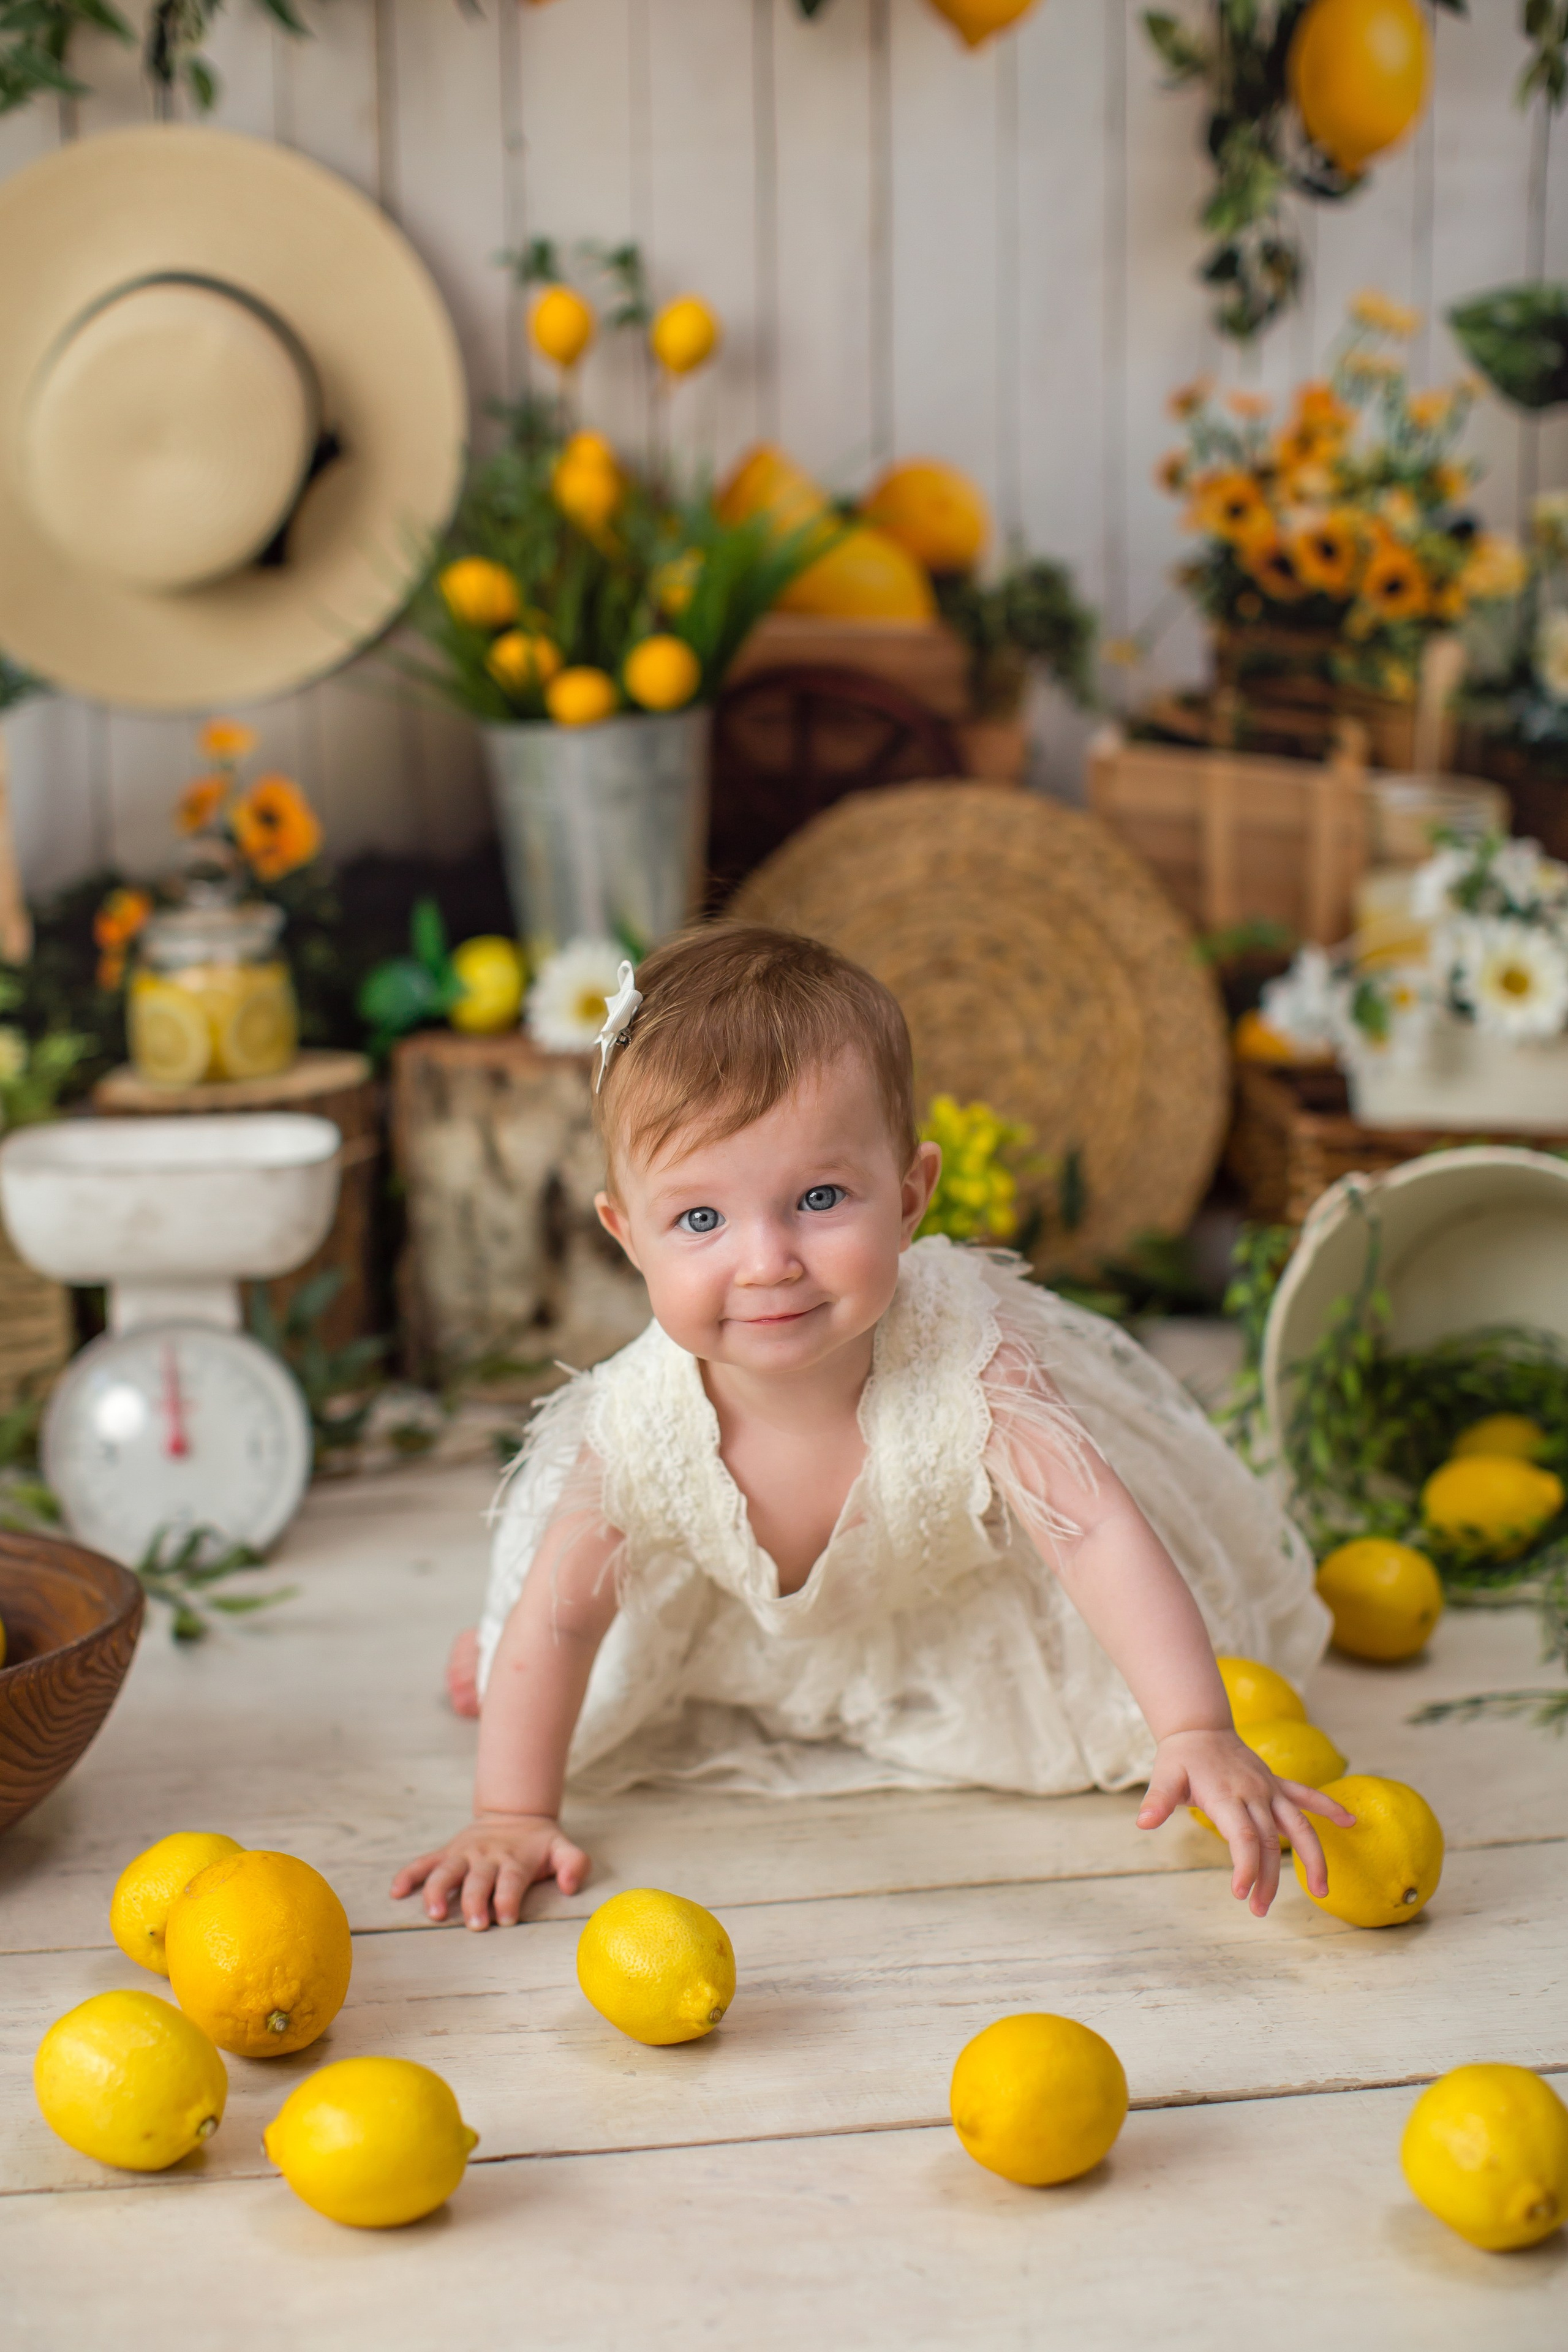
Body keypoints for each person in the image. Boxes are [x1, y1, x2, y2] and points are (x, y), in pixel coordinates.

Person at [392, 924, 1345, 1934]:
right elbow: (567, 1617)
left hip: (953, 1594)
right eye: (701, 1220)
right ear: (627, 1235)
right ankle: (486, 1657)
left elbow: (1095, 1532)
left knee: (1130, 1705)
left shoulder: (964, 1356)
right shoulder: (642, 1424)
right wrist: (512, 1812)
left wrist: (1194, 1726)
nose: (767, 1262)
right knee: (535, 1654)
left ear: (909, 1196)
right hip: (741, 1609)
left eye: (818, 1198)